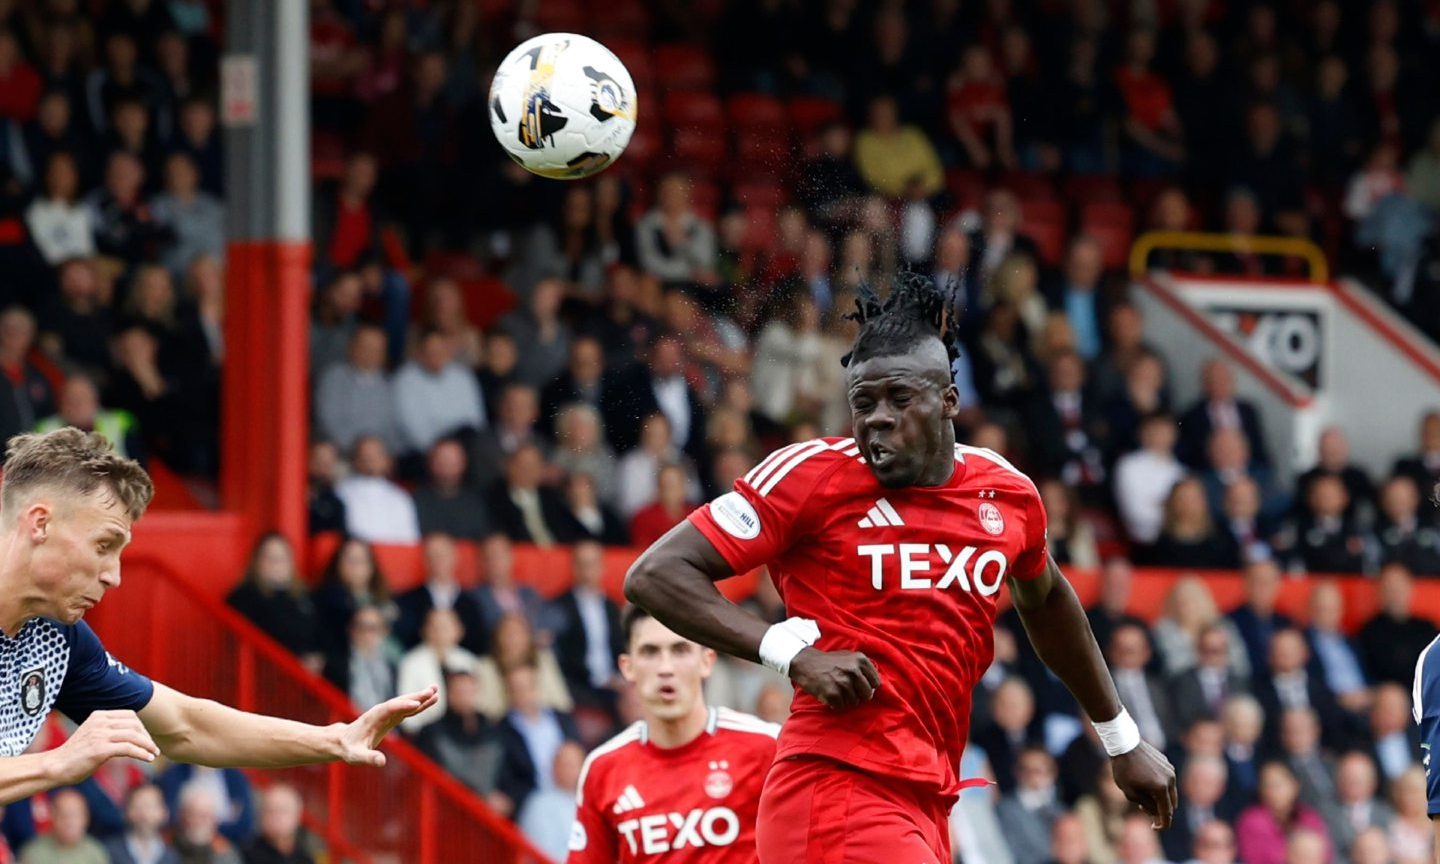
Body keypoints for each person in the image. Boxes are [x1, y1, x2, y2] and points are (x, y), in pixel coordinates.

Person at [623, 274, 1175, 863]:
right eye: (863, 403)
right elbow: (656, 573)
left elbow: (1047, 601)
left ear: (949, 400)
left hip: (929, 799)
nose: (877, 419)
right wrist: (790, 653)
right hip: (834, 785)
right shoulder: (810, 476)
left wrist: (1120, 737)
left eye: (899, 399)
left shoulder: (1007, 495)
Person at [0, 429, 438, 806]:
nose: (114, 576)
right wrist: (56, 763)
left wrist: (335, 739)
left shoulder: (58, 639)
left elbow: (188, 727)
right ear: (40, 523)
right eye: (102, 546)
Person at [566, 605, 779, 862]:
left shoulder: (767, 746)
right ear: (627, 667)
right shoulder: (602, 769)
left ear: (706, 661)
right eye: (650, 652)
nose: (666, 668)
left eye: (680, 650)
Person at [18, 788, 106, 864]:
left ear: (86, 818)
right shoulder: (34, 853)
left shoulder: (95, 852)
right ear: (53, 816)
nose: (69, 822)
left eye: (75, 816)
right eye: (64, 815)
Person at [102, 783, 178, 864]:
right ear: (126, 812)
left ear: (164, 813)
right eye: (138, 806)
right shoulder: (108, 850)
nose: (144, 813)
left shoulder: (172, 856)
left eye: (151, 807)